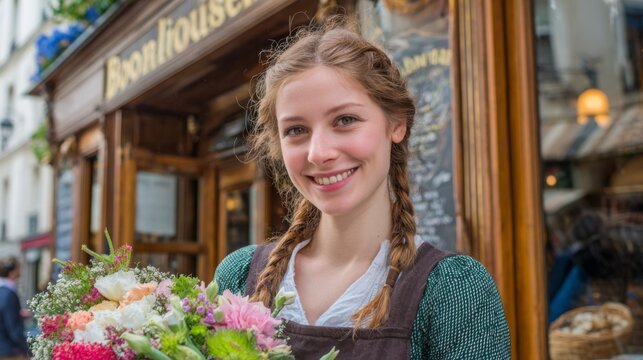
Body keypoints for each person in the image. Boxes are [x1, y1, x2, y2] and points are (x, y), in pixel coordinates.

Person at [215, 18, 510, 359]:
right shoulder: (239, 275)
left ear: (396, 123)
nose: (319, 153)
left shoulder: (453, 290)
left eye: (345, 120)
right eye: (296, 130)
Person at [0, 256, 29, 359]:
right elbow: (14, 330)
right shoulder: (9, 293)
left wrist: (18, 314)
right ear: (11, 272)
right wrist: (27, 349)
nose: (20, 271)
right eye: (18, 268)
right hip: (9, 351)